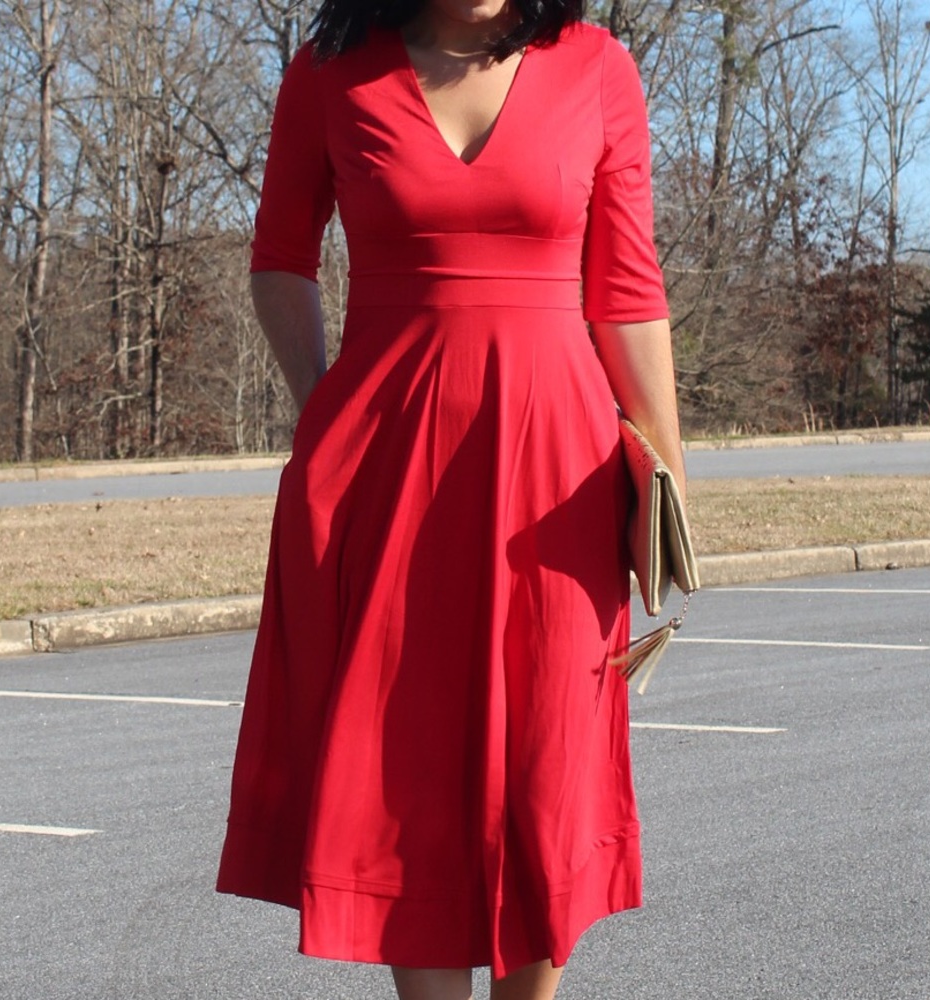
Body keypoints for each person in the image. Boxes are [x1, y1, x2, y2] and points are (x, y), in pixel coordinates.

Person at [216, 2, 687, 998]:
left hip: (557, 472)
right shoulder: (331, 71)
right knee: (404, 765)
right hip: (379, 471)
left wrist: (667, 485)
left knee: (546, 766)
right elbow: (279, 258)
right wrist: (322, 409)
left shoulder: (596, 67)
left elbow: (629, 292)